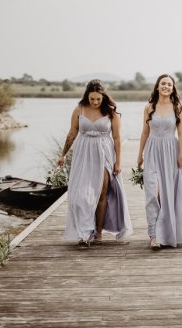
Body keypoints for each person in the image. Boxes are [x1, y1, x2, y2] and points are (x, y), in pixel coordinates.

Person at [60, 79, 133, 246]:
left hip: (104, 154)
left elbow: (117, 139)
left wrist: (118, 162)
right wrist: (63, 155)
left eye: (98, 99)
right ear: (87, 96)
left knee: (101, 194)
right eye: (92, 99)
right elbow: (72, 133)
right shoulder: (79, 109)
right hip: (83, 154)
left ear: (103, 96)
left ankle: (98, 233)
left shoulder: (111, 113)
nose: (95, 102)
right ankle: (84, 231)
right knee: (80, 195)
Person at [137, 74, 182, 250]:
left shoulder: (177, 107)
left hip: (171, 152)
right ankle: (153, 235)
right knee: (152, 192)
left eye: (169, 84)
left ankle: (166, 232)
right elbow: (144, 132)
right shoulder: (149, 107)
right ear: (157, 87)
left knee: (166, 194)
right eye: (163, 83)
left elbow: (181, 133)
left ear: (173, 88)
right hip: (151, 150)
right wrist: (139, 154)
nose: (166, 86)